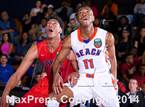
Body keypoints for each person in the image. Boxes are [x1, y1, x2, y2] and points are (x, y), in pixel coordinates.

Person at [48, 6, 119, 107]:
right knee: (52, 99)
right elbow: (58, 61)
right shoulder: (71, 39)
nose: (84, 14)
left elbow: (112, 58)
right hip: (83, 79)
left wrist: (114, 79)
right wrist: (56, 76)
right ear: (77, 18)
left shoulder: (106, 36)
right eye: (81, 13)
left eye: (87, 12)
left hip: (103, 79)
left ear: (93, 18)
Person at [1, 16, 75, 107]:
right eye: (48, 24)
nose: (50, 25)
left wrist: (76, 73)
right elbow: (18, 74)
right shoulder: (37, 48)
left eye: (54, 24)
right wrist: (6, 92)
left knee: (52, 102)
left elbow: (84, 68)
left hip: (67, 84)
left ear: (60, 30)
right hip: (48, 83)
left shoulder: (68, 47)